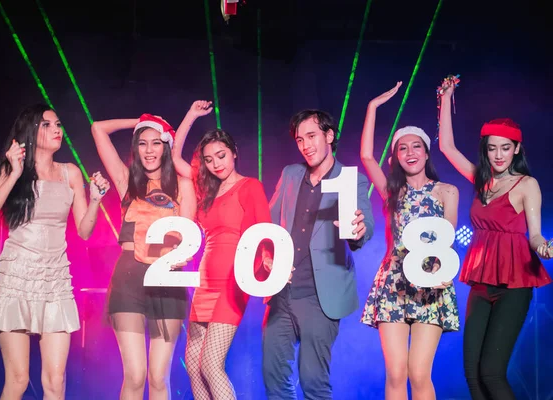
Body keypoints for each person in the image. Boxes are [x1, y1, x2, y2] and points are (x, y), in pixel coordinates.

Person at [0, 104, 110, 400]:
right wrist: (13, 172)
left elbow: (84, 232)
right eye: (48, 125)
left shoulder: (70, 172)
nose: (57, 130)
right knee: (18, 379)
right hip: (16, 278)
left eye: (58, 124)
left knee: (55, 380)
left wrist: (96, 199)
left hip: (54, 281)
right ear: (31, 131)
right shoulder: (14, 171)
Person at [438, 82, 552, 399]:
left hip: (514, 286)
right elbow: (447, 147)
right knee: (472, 374)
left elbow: (534, 235)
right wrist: (445, 99)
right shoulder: (481, 180)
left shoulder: (527, 184)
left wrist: (544, 247)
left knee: (491, 372)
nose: (499, 154)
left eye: (505, 147)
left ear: (517, 149)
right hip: (481, 281)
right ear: (485, 149)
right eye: (492, 148)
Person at [261, 108, 374, 400]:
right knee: (275, 381)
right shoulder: (291, 174)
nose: (305, 145)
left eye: (311, 136)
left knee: (313, 383)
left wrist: (359, 229)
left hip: (320, 297)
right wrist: (265, 252)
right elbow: (269, 223)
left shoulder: (351, 180)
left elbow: (365, 224)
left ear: (329, 135)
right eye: (299, 140)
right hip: (282, 292)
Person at [358, 82, 460, 400]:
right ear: (396, 156)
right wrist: (372, 107)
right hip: (394, 284)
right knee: (397, 372)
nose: (410, 153)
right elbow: (365, 156)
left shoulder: (447, 191)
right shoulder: (394, 191)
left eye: (416, 146)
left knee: (418, 372)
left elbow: (448, 241)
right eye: (402, 148)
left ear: (426, 152)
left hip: (431, 283)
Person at [171, 100, 273, 400]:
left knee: (211, 364)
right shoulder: (207, 190)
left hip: (232, 283)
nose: (216, 164)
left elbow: (264, 230)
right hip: (205, 283)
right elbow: (174, 154)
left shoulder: (249, 186)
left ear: (234, 153)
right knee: (192, 364)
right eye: (210, 159)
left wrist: (268, 259)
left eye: (221, 156)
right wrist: (190, 115)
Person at [91, 113, 196, 400]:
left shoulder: (183, 186)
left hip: (168, 281)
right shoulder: (127, 182)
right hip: (128, 281)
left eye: (156, 143)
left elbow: (189, 236)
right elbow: (98, 128)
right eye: (142, 143)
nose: (149, 150)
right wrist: (140, 120)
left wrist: (181, 256)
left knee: (158, 377)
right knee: (135, 376)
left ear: (167, 147)